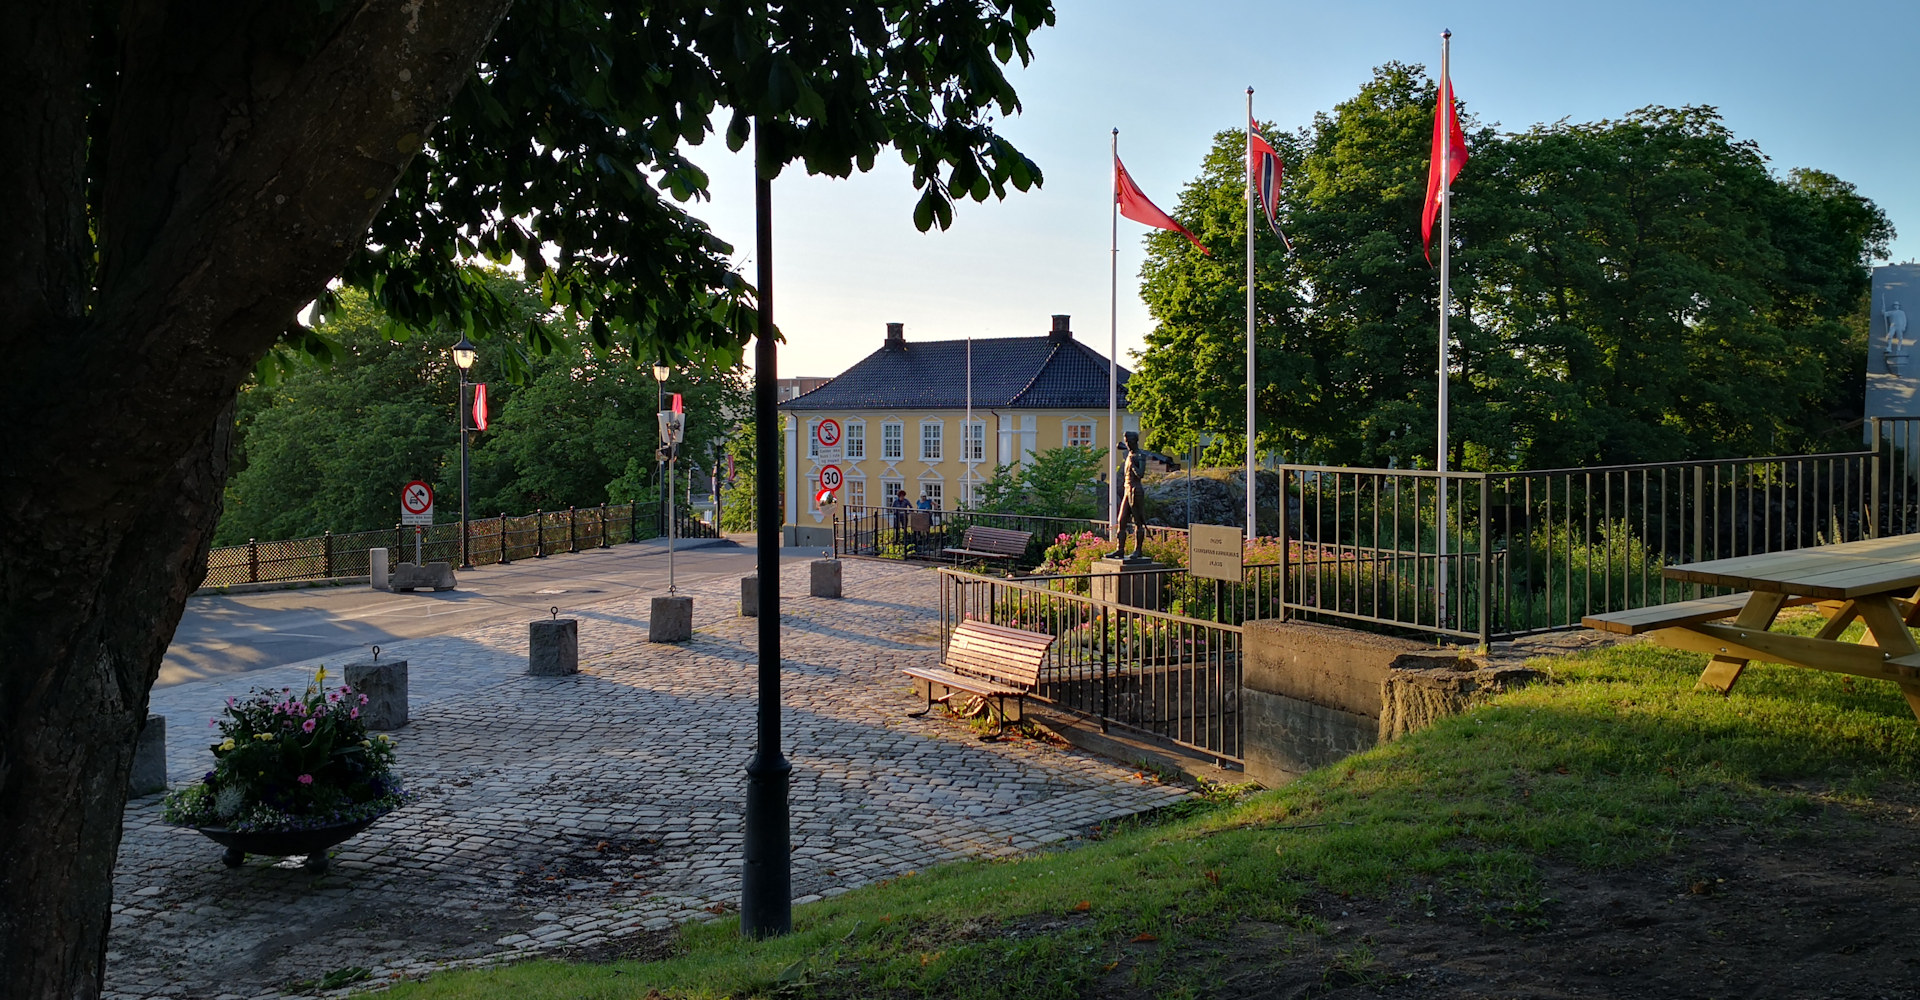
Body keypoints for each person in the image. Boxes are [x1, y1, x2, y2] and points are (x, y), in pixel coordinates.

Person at [1108, 430, 1147, 558]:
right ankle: (1120, 549)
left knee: (1138, 522)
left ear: (1135, 441)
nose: (1127, 444)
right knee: (1121, 520)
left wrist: (1132, 464)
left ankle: (1138, 550)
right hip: (1127, 489)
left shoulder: (1139, 455)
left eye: (1129, 442)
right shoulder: (1130, 454)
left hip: (1136, 490)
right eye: (1126, 442)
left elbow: (1140, 474)